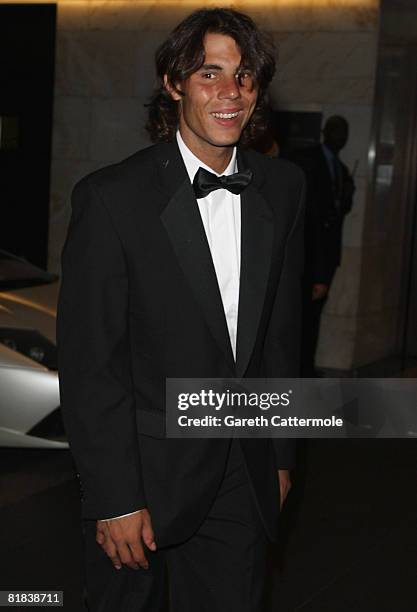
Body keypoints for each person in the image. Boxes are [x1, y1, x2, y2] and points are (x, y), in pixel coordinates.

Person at [57, 8, 305, 612]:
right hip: (142, 476)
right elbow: (93, 364)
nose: (230, 93)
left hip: (243, 475)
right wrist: (113, 497)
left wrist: (278, 453)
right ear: (173, 83)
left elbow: (282, 336)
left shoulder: (285, 187)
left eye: (244, 76)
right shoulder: (112, 198)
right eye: (209, 74)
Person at [294, 116, 355, 375]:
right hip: (307, 252)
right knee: (300, 313)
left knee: (314, 314)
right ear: (324, 132)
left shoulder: (341, 171)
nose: (339, 136)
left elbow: (341, 210)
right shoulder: (307, 160)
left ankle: (306, 366)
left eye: (344, 132)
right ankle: (297, 368)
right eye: (335, 130)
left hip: (328, 254)